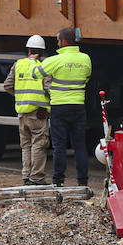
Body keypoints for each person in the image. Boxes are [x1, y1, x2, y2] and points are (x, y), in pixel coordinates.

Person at [41, 27, 92, 188]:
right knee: (80, 146)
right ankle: (82, 181)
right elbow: (87, 77)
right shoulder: (86, 59)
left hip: (59, 107)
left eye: (58, 41)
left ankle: (58, 180)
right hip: (78, 106)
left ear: (63, 41)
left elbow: (37, 72)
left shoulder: (56, 60)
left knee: (59, 146)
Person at [3, 34, 50, 185]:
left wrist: (21, 96)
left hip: (22, 112)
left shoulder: (18, 64)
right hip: (38, 113)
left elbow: (7, 86)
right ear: (41, 52)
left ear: (29, 50)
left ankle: (26, 176)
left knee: (26, 145)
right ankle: (36, 177)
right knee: (39, 143)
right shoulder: (43, 67)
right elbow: (48, 88)